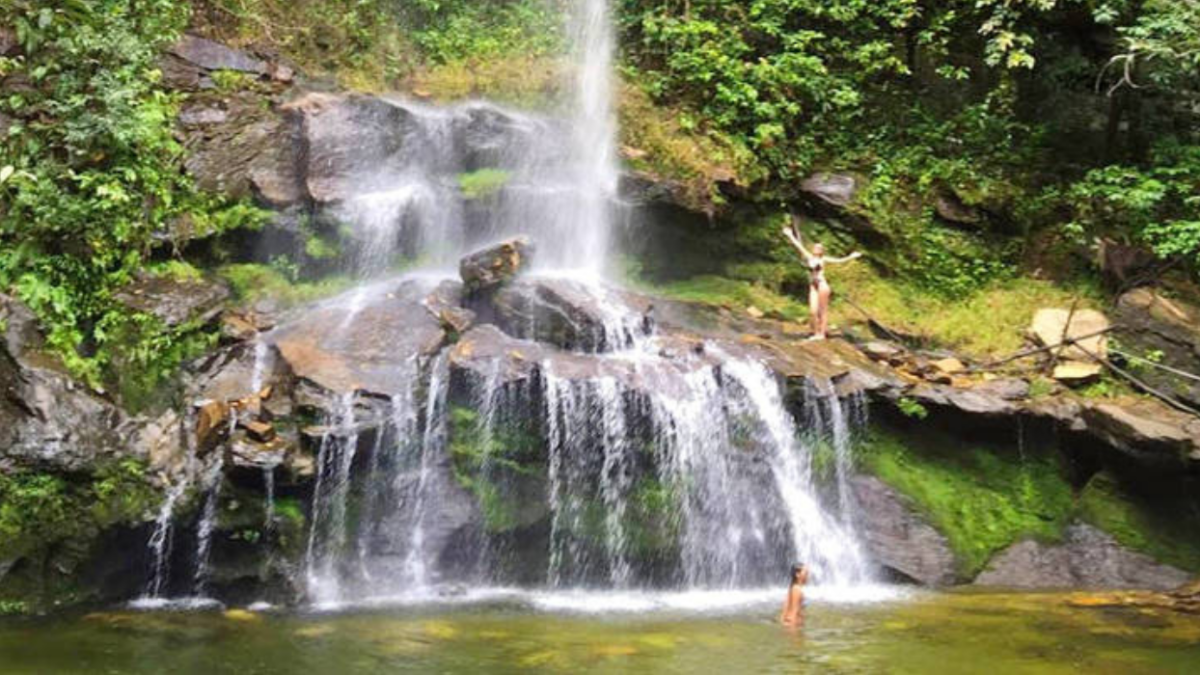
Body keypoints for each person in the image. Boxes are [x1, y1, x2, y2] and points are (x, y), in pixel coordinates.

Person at [781, 219, 863, 340]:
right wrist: (789, 234)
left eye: (819, 248)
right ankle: (815, 332)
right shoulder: (809, 256)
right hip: (813, 285)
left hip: (822, 285)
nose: (816, 248)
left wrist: (851, 256)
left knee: (822, 311)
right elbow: (798, 245)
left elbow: (839, 261)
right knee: (812, 311)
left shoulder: (823, 259)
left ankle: (821, 334)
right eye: (815, 247)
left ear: (821, 251)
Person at [779, 563, 809, 627]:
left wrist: (783, 623)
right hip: (793, 625)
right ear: (797, 574)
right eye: (806, 573)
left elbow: (784, 609)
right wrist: (794, 632)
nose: (807, 576)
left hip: (789, 623)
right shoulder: (797, 590)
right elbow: (794, 613)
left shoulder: (792, 588)